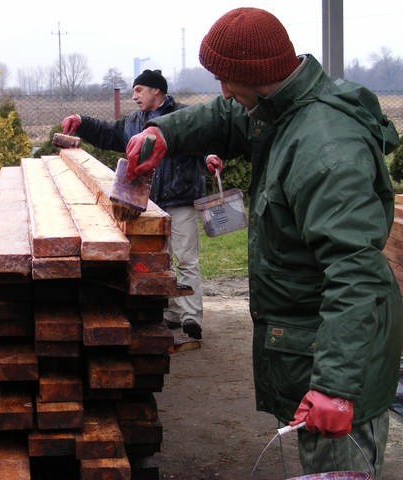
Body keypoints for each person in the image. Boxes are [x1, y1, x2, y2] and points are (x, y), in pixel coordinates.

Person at [124, 7, 403, 478]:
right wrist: (163, 133)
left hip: (335, 357)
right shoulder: (278, 107)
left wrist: (335, 386)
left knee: (337, 465)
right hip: (308, 343)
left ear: (253, 76)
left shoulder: (324, 149)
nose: (222, 91)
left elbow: (355, 273)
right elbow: (226, 117)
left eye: (226, 79)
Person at [61, 69, 207, 342]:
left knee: (186, 259)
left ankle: (190, 318)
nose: (134, 96)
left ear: (157, 91)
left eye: (139, 90)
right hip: (148, 204)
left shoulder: (183, 117)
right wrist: (80, 121)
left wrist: (211, 155)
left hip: (180, 199)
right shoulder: (133, 122)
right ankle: (173, 313)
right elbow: (107, 133)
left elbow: (206, 138)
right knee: (160, 260)